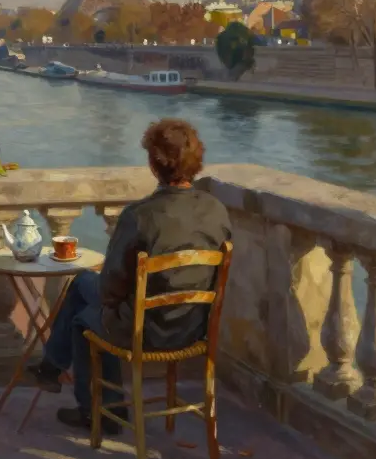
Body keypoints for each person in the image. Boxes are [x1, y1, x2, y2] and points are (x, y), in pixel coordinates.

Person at [30, 118, 232, 434]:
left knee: (83, 315)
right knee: (83, 284)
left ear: (154, 164)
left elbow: (111, 290)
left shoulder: (139, 216)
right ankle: (53, 370)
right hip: (194, 327)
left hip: (146, 332)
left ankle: (91, 404)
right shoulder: (217, 210)